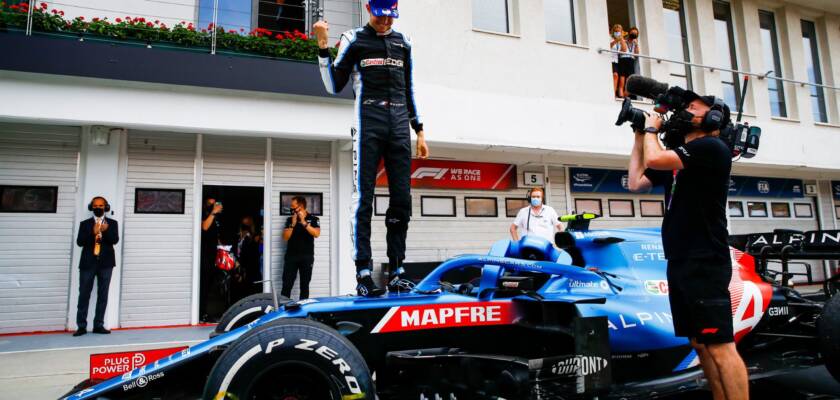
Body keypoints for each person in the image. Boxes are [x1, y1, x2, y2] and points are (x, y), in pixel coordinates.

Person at [627, 92, 748, 400]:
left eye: (693, 109)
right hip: (680, 258)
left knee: (720, 345)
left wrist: (652, 130)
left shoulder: (712, 147)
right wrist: (640, 133)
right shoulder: (680, 156)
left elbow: (655, 157)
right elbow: (636, 181)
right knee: (700, 344)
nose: (686, 112)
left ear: (713, 119)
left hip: (704, 258)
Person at [314, 0, 430, 296]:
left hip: (400, 125)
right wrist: (323, 46)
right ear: (369, 9)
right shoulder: (354, 39)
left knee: (402, 200)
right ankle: (363, 273)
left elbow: (409, 88)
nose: (385, 23)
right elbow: (333, 84)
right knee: (363, 198)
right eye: (380, 17)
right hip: (368, 122)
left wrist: (420, 130)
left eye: (390, 18)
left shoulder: (404, 42)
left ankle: (397, 270)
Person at [74, 196, 119, 336]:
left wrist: (105, 231)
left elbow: (115, 240)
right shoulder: (85, 224)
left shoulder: (112, 223)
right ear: (91, 207)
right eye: (95, 205)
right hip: (88, 264)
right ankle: (81, 326)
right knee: (84, 295)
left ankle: (98, 325)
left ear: (106, 207)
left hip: (106, 264)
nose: (98, 207)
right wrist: (92, 232)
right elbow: (80, 242)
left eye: (101, 205)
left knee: (103, 295)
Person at [282, 196, 320, 300]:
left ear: (300, 206)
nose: (292, 209)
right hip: (291, 257)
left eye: (293, 207)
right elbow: (285, 237)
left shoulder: (313, 219)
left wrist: (304, 222)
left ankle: (303, 312)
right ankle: (283, 310)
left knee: (304, 286)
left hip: (307, 257)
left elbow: (316, 234)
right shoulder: (290, 220)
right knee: (286, 285)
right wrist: (293, 224)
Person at [200, 198, 223, 322]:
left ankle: (205, 312)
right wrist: (213, 212)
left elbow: (215, 235)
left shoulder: (216, 217)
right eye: (212, 201)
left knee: (210, 283)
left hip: (213, 254)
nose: (215, 203)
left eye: (217, 202)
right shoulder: (202, 212)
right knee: (203, 284)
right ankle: (200, 314)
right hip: (203, 254)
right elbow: (204, 227)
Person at [233, 216, 261, 300]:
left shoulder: (255, 236)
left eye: (247, 225)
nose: (245, 228)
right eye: (244, 225)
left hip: (251, 267)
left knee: (251, 290)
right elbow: (235, 251)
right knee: (240, 290)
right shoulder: (238, 237)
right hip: (239, 266)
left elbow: (255, 252)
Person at [619, 27, 641, 91]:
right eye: (633, 32)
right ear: (629, 33)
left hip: (631, 60)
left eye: (635, 33)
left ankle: (627, 94)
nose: (634, 34)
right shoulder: (624, 40)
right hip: (623, 59)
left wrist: (636, 45)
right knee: (622, 77)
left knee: (630, 79)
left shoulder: (635, 43)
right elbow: (622, 50)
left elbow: (636, 54)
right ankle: (621, 94)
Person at [610, 24, 628, 98]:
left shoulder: (621, 40)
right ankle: (613, 93)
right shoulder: (609, 38)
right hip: (610, 59)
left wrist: (621, 40)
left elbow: (624, 50)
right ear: (613, 31)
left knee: (618, 76)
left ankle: (616, 93)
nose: (617, 32)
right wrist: (615, 40)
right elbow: (609, 45)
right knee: (615, 75)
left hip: (617, 60)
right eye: (616, 31)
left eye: (619, 31)